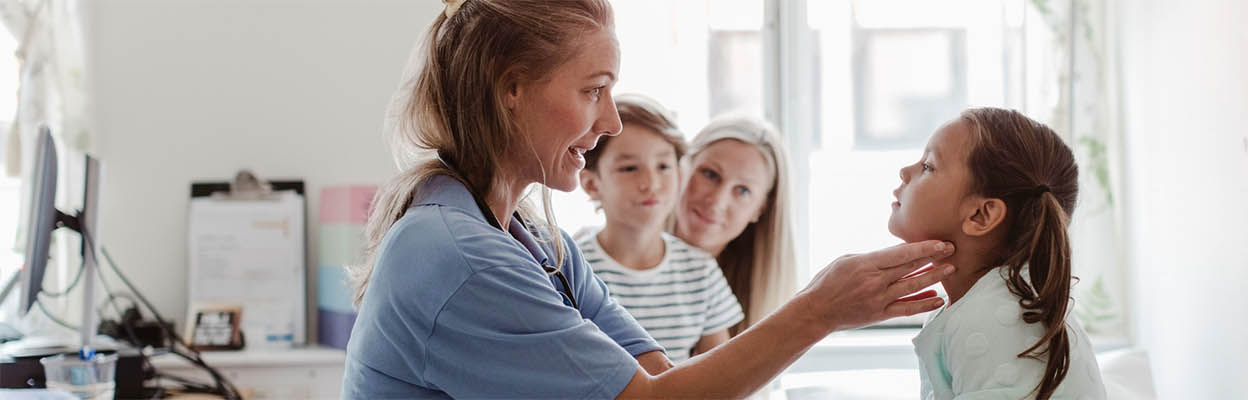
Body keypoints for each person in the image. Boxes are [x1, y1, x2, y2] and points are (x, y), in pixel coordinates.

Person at [341, 1, 955, 398]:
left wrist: (820, 306)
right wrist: (819, 310)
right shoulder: (460, 256)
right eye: (594, 90)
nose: (609, 121)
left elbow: (662, 377)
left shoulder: (533, 240)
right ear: (511, 89)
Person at [890, 107, 1105, 399]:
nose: (905, 172)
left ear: (981, 215)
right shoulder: (996, 303)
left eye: (928, 166)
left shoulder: (993, 320)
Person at [575, 94, 742, 362]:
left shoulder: (701, 272)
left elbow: (721, 374)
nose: (651, 183)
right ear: (592, 184)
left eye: (663, 166)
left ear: (678, 175)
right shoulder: (572, 271)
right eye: (629, 168)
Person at [672, 115, 796, 334]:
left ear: (760, 209)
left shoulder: (757, 302)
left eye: (743, 191)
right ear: (683, 167)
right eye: (710, 175)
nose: (717, 201)